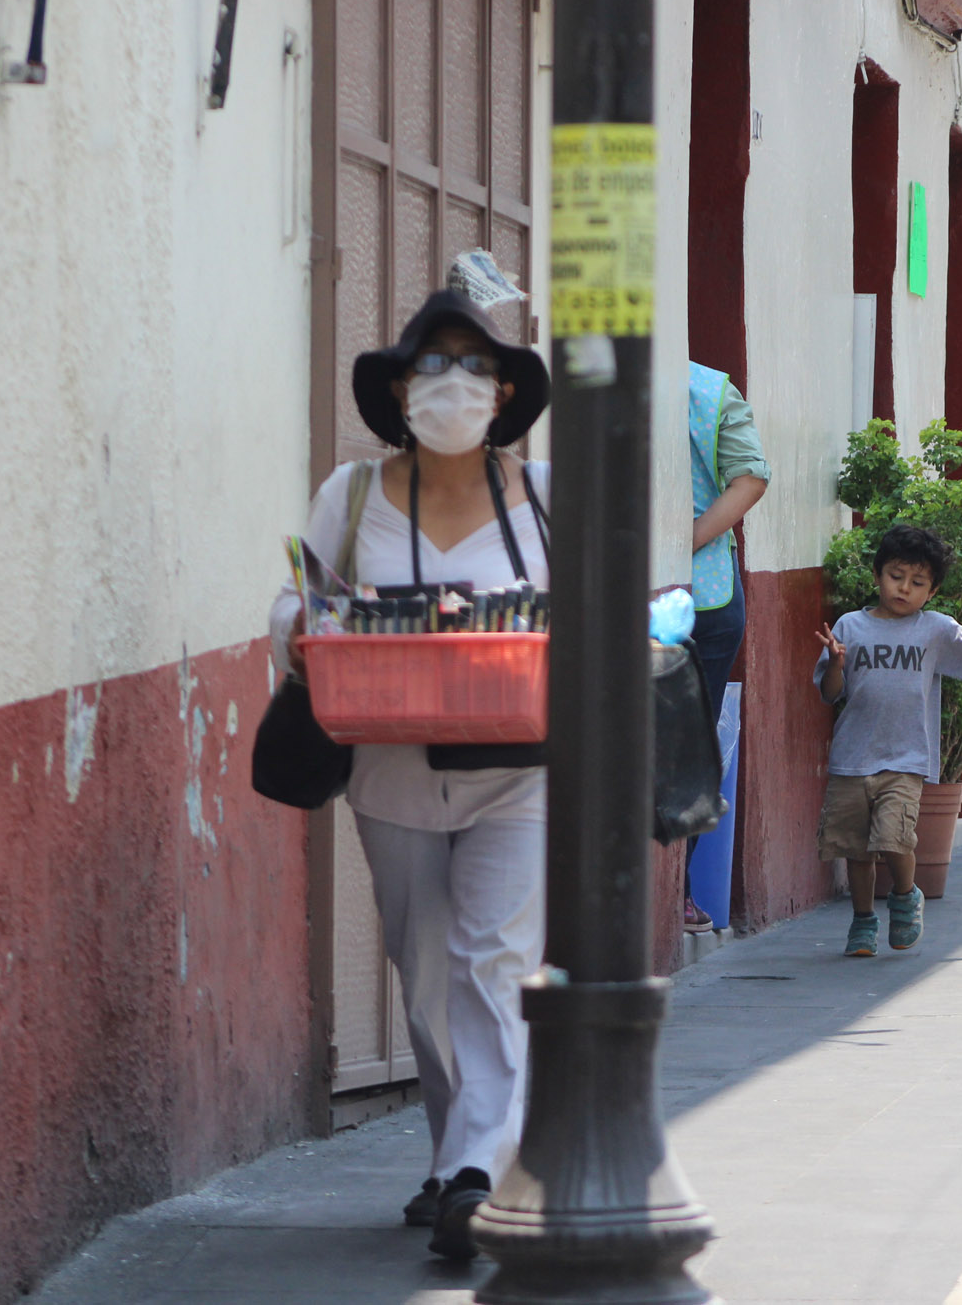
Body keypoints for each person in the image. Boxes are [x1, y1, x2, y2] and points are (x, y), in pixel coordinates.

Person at [269, 290, 550, 1261]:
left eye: (474, 365)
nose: (452, 383)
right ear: (397, 388)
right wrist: (301, 639)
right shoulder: (349, 495)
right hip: (388, 771)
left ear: (504, 389)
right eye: (431, 365)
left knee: (495, 963)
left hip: (518, 771)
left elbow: (597, 613)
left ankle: (478, 1172)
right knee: (426, 973)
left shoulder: (548, 496)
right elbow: (298, 600)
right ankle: (451, 1156)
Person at [815, 525, 962, 956]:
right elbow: (829, 692)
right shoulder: (849, 627)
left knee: (894, 840)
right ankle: (862, 923)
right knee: (856, 851)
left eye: (918, 583)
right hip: (852, 759)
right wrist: (836, 662)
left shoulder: (935, 629)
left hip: (906, 759)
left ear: (931, 592)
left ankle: (906, 895)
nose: (904, 589)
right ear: (877, 575)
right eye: (896, 576)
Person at [685, 363, 770, 931]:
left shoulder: (706, 389)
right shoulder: (708, 387)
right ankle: (678, 891)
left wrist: (679, 543)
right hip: (704, 591)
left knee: (684, 745)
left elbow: (752, 478)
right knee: (689, 743)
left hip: (701, 602)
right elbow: (750, 477)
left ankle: (676, 883)